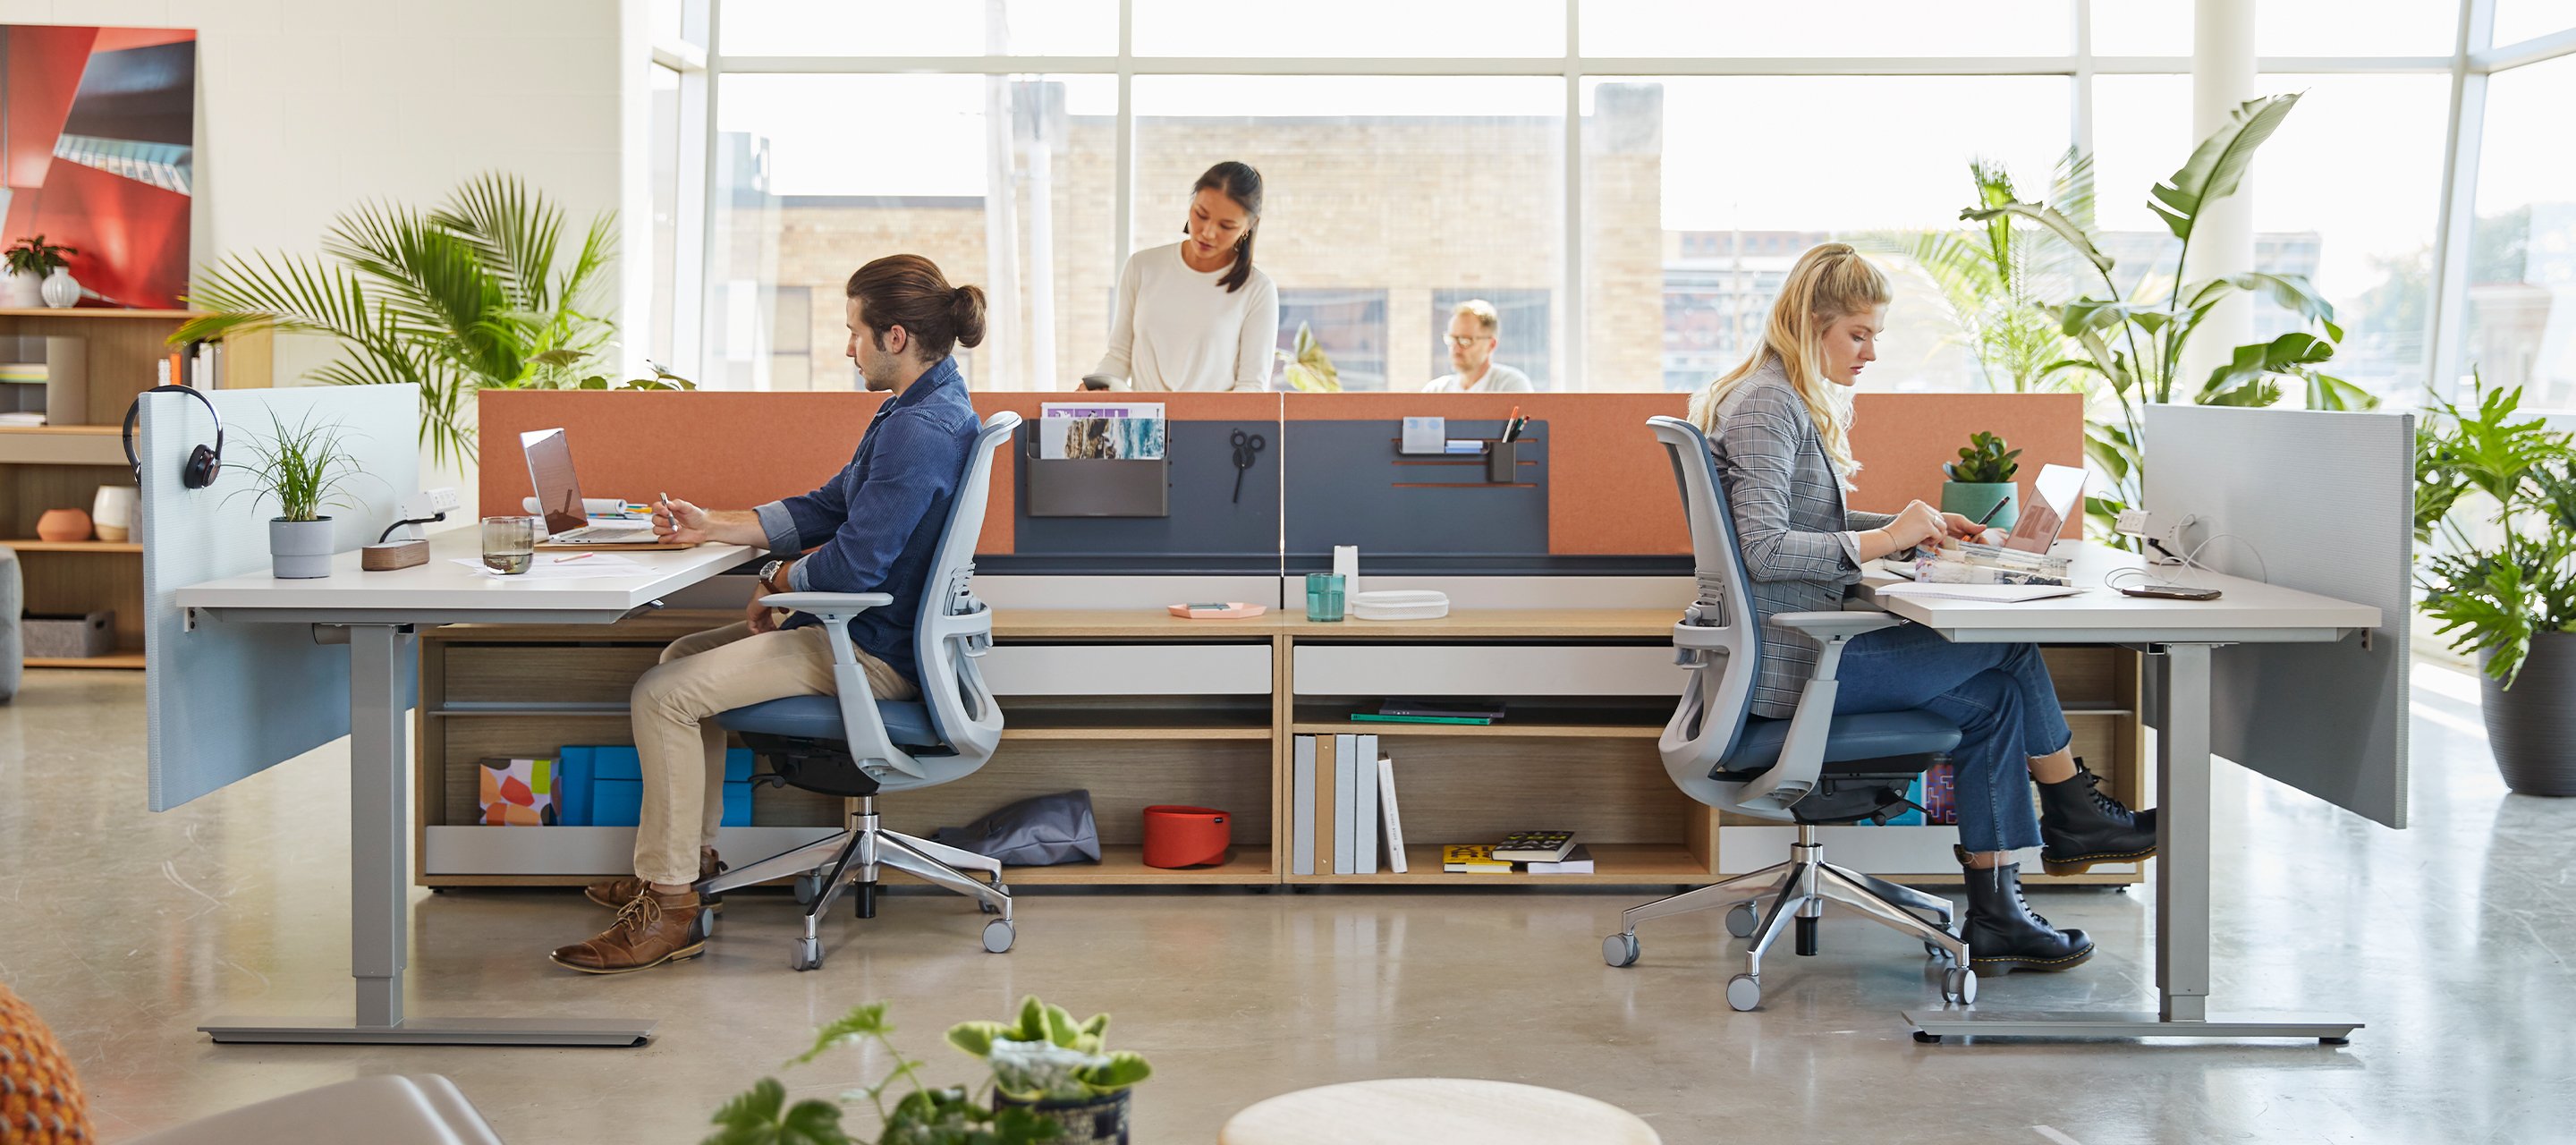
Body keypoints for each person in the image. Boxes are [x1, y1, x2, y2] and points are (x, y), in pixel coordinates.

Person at [1687, 242, 2155, 977]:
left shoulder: (1775, 397)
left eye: (1876, 335)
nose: (1870, 351)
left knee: (1996, 695)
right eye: (1858, 333)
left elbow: (1799, 519)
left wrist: (1917, 526)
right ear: (1812, 323)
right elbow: (1767, 552)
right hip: (1792, 667)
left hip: (1796, 654)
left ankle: (2001, 908)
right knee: (2008, 650)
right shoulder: (1767, 407)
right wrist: (1885, 538)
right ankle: (2072, 811)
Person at [549, 254, 986, 975]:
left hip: (871, 652)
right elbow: (826, 507)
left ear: (896, 336)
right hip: (865, 633)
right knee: (680, 658)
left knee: (661, 698)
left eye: (855, 332)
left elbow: (855, 566)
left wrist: (775, 583)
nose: (848, 348)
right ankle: (683, 864)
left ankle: (672, 908)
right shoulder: (915, 410)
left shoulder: (921, 430)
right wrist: (711, 525)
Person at [1082, 161, 1280, 392]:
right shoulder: (1142, 267)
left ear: (1249, 226)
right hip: (1143, 424)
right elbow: (1119, 356)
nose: (1208, 232)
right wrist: (1093, 391)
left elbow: (1251, 387)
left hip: (1211, 426)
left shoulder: (1257, 290)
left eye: (1226, 226)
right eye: (1201, 214)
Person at [1424, 299, 1533, 394]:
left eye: (1465, 340)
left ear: (1491, 345)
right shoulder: (1435, 390)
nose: (1455, 348)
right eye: (1452, 339)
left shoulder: (1510, 386)